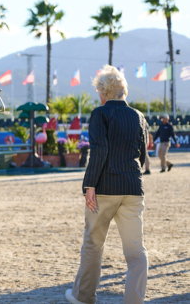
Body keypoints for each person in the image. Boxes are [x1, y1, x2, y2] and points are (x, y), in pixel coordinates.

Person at [66, 65, 148, 304]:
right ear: (122, 90)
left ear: (103, 92)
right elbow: (142, 156)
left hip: (104, 189)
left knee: (93, 244)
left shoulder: (100, 114)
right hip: (133, 188)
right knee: (136, 252)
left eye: (98, 91)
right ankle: (134, 301)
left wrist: (89, 185)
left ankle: (84, 297)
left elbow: (99, 151)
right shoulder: (139, 116)